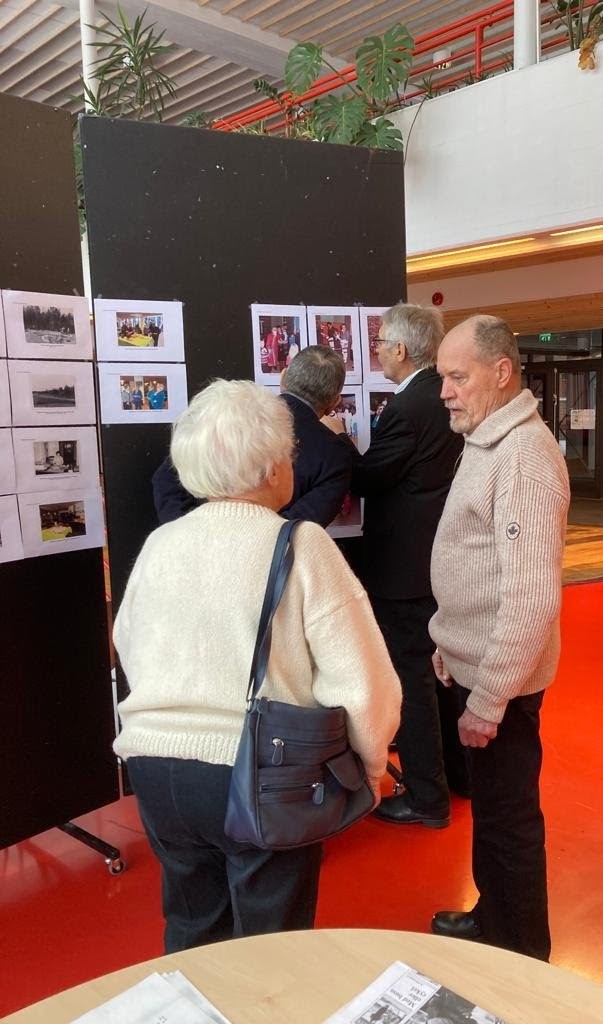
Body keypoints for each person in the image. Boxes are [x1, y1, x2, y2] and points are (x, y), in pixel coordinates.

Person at [113, 379, 401, 954]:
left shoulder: (160, 543)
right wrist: (371, 769)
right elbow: (363, 681)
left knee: (193, 928)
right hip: (262, 771)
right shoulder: (301, 544)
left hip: (155, 767)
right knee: (271, 949)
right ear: (270, 468)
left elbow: (127, 642)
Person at [428, 315, 570, 960]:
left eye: (458, 377)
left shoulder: (523, 458)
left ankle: (522, 955)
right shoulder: (487, 440)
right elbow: (477, 566)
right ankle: (493, 920)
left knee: (509, 821)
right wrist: (449, 639)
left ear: (502, 372)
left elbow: (532, 598)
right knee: (490, 810)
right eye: (443, 378)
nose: (445, 392)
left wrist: (488, 700)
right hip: (476, 667)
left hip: (501, 686)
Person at [335, 303, 464, 827]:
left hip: (405, 571)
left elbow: (370, 477)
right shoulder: (445, 395)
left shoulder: (408, 407)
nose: (377, 352)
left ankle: (427, 798)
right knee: (443, 676)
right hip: (436, 560)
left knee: (412, 682)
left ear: (401, 349)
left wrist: (339, 437)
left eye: (380, 342)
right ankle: (458, 778)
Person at [152, 346, 354, 527]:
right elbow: (297, 527)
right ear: (334, 403)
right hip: (269, 555)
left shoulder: (229, 412)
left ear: (283, 377)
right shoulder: (335, 456)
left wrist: (191, 534)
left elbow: (166, 481)